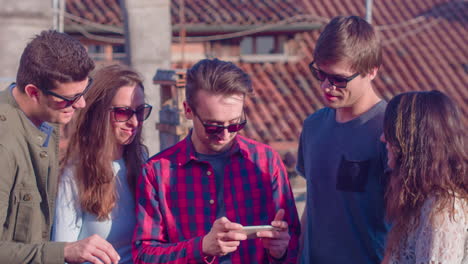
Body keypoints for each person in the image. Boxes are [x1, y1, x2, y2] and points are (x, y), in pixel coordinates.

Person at [132, 58, 300, 264]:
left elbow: (294, 243)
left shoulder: (266, 161)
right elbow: (143, 256)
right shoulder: (157, 171)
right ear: (188, 110)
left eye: (236, 124)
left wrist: (280, 251)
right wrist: (201, 248)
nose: (226, 134)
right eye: (213, 127)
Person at [0, 30, 120, 264]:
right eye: (69, 98)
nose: (81, 104)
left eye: (83, 92)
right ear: (33, 92)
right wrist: (63, 251)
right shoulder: (4, 146)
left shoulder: (47, 120)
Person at [297, 16, 390, 263]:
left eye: (339, 79)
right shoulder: (312, 126)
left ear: (371, 71)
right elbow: (313, 203)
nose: (327, 86)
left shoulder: (391, 133)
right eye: (320, 73)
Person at [52, 64, 152, 264]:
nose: (134, 122)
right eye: (123, 112)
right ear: (98, 114)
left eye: (140, 111)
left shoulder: (143, 161)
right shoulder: (75, 172)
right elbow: (63, 252)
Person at [380, 91, 467, 263]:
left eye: (390, 133)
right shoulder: (422, 201)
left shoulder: (441, 209)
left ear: (412, 143)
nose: (383, 138)